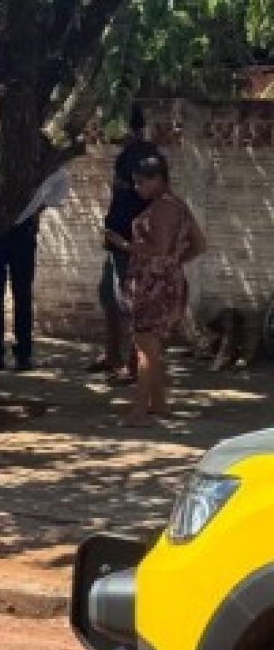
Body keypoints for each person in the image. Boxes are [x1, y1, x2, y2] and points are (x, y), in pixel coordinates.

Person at [104, 152, 206, 426]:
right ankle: (158, 404)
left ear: (157, 179)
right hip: (168, 280)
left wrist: (123, 244)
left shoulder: (162, 208)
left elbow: (158, 248)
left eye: (140, 183)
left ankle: (139, 411)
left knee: (145, 348)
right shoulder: (179, 206)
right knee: (152, 345)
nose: (137, 189)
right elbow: (199, 245)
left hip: (152, 285)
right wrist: (175, 263)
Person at [89, 105, 156, 383]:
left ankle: (131, 365)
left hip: (130, 242)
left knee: (129, 302)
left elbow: (151, 201)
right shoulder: (128, 156)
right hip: (116, 239)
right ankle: (112, 353)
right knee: (108, 295)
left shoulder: (143, 158)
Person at [0, 168, 70, 372]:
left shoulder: (37, 158)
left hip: (22, 229)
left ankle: (23, 354)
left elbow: (62, 177)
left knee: (22, 294)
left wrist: (42, 206)